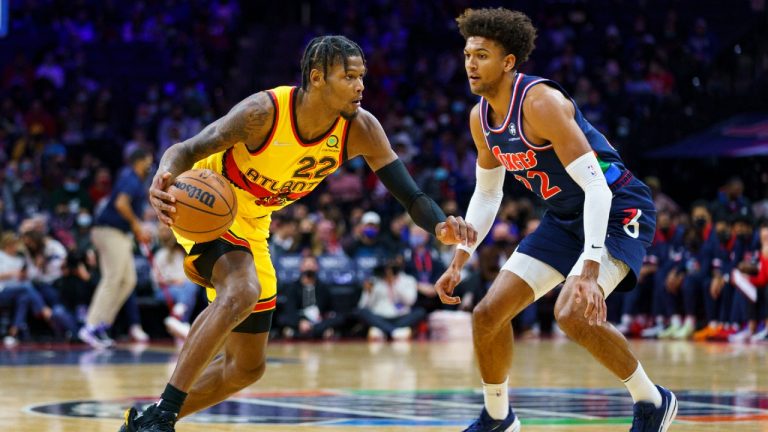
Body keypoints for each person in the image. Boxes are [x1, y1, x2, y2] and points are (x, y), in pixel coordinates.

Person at [120, 35, 476, 432]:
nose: (361, 86)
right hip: (206, 204)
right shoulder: (262, 112)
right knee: (241, 289)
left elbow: (411, 196)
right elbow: (185, 148)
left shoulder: (361, 129)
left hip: (255, 223)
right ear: (318, 77)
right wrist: (163, 180)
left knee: (245, 368)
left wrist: (440, 225)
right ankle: (164, 417)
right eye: (350, 76)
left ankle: (147, 421)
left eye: (363, 77)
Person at [433, 9, 676, 432]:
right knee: (487, 315)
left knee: (573, 312)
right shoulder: (480, 119)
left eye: (483, 55)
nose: (471, 64)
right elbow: (489, 194)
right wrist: (460, 259)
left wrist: (590, 268)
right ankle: (498, 417)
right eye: (468, 54)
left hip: (618, 207)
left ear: (509, 62)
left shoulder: (540, 103)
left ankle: (652, 400)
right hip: (566, 215)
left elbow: (598, 189)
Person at [79, 148, 153, 349]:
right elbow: (121, 204)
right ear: (140, 161)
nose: (151, 165)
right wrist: (137, 224)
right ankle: (90, 325)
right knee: (112, 278)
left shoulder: (133, 179)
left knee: (128, 281)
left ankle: (103, 324)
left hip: (118, 233)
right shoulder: (131, 178)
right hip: (110, 231)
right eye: (149, 161)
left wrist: (136, 227)